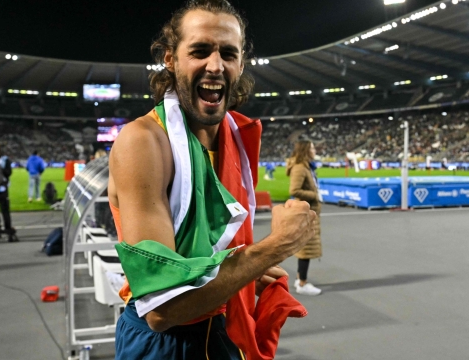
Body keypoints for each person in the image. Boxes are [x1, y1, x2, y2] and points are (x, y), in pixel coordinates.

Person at [107, 1, 316, 359]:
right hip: (166, 344)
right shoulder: (144, 142)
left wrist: (243, 275)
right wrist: (275, 246)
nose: (215, 65)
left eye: (228, 53)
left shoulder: (235, 137)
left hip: (222, 328)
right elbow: (162, 309)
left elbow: (214, 253)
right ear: (171, 59)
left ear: (241, 63)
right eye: (200, 51)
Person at [286, 140, 323, 296]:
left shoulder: (307, 167)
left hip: (310, 213)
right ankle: (302, 284)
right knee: (305, 249)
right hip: (306, 213)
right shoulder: (300, 168)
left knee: (305, 247)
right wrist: (315, 195)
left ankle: (299, 278)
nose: (315, 150)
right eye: (312, 148)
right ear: (306, 150)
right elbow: (294, 189)